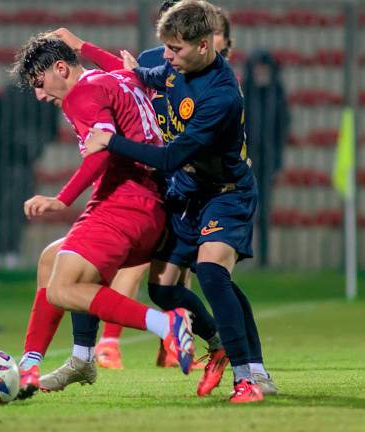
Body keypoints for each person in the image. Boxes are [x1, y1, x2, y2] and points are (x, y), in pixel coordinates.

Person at [84, 0, 275, 402]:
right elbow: (149, 75)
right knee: (164, 290)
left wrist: (111, 141)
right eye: (167, 48)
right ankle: (224, 343)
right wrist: (118, 73)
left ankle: (248, 378)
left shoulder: (222, 96)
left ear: (205, 45)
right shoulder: (177, 66)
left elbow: (171, 157)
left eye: (176, 50)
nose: (167, 57)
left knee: (210, 272)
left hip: (226, 195)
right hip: (187, 195)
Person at [9, 34, 195, 400]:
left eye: (40, 84)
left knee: (64, 288)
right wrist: (81, 44)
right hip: (151, 204)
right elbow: (124, 68)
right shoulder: (116, 77)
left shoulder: (80, 95)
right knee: (52, 261)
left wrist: (61, 199)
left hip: (124, 204)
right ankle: (47, 363)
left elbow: (103, 151)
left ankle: (167, 324)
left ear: (60, 68)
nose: (40, 95)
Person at [0, 82, 59, 269]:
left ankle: (10, 251)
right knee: (2, 205)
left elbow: (50, 129)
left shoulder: (42, 95)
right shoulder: (10, 92)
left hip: (24, 161)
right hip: (5, 158)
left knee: (17, 205)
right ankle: (0, 251)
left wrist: (33, 147)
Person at [243, 50, 289, 266]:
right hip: (247, 160)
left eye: (265, 68)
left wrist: (278, 161)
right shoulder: (245, 93)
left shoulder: (276, 94)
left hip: (268, 159)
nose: (261, 72)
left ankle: (264, 259)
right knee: (245, 209)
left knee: (265, 210)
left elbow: (282, 129)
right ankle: (242, 255)